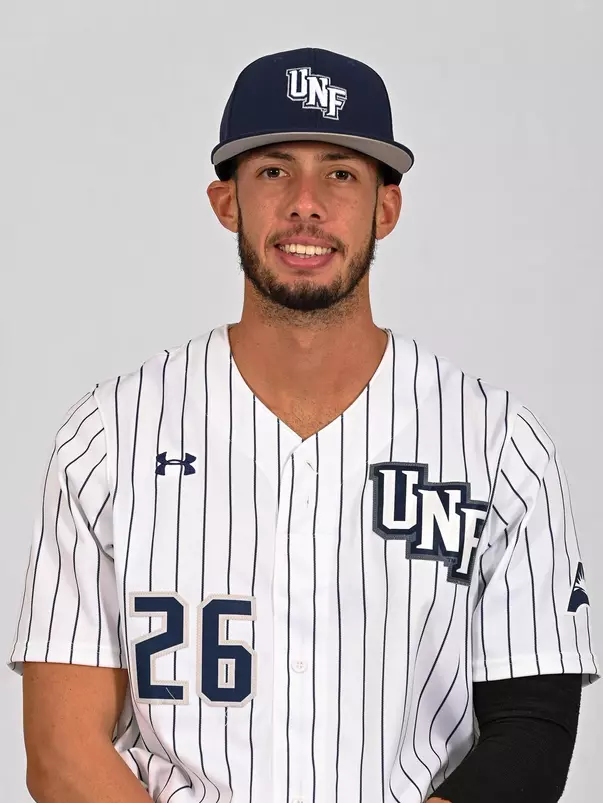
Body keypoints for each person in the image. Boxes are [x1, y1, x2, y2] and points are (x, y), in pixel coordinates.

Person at [8, 47, 599, 803]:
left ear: (386, 206)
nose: (306, 203)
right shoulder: (108, 436)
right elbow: (63, 752)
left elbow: (531, 727)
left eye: (342, 172)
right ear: (227, 202)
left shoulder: (498, 444)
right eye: (274, 170)